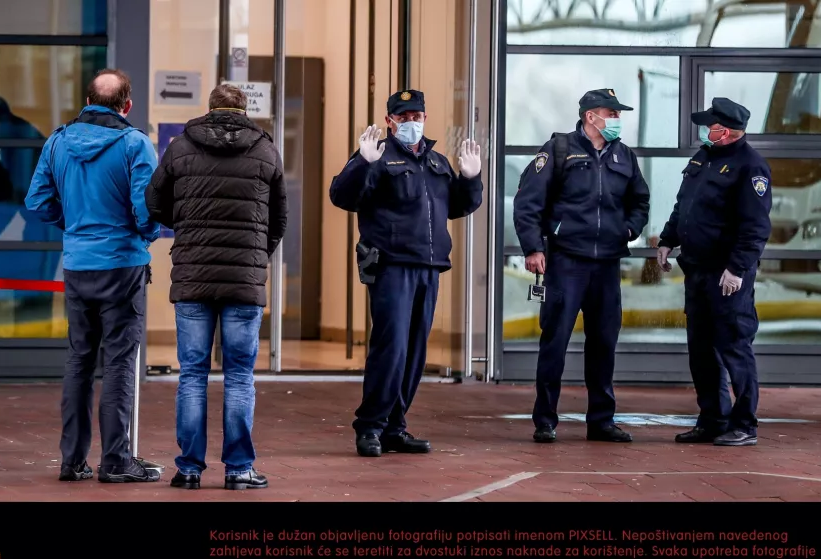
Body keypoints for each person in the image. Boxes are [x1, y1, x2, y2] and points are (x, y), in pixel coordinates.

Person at [145, 83, 287, 491]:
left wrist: (187, 227)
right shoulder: (265, 150)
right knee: (240, 375)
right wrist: (256, 255)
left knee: (192, 373)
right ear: (244, 110)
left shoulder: (180, 147)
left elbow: (154, 202)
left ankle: (189, 469)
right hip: (244, 280)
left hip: (193, 276)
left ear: (209, 109)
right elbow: (278, 219)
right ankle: (239, 469)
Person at [329, 89, 483, 458]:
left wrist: (470, 179)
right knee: (392, 348)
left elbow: (456, 206)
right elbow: (343, 197)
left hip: (429, 265)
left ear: (425, 118)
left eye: (417, 116)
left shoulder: (437, 161)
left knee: (414, 352)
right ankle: (370, 426)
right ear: (389, 121)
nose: (411, 122)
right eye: (403, 117)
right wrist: (361, 164)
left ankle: (394, 428)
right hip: (391, 265)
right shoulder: (378, 155)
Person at [26, 68, 161, 483]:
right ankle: (116, 460)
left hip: (78, 265)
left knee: (79, 360)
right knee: (119, 362)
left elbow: (37, 201)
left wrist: (74, 226)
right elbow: (146, 212)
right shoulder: (136, 144)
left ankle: (72, 460)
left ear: (87, 101)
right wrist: (145, 235)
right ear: (127, 106)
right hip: (122, 265)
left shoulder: (57, 141)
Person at [513, 88, 650, 444]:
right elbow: (528, 202)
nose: (617, 119)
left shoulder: (624, 155)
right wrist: (533, 248)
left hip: (607, 263)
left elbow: (640, 200)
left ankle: (601, 421)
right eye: (612, 113)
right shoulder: (558, 150)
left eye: (618, 114)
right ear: (591, 116)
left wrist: (630, 228)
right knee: (555, 341)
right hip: (566, 261)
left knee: (603, 343)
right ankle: (545, 420)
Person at [657, 97, 772, 447]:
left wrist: (737, 268)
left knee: (734, 347)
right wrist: (667, 240)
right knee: (702, 350)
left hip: (728, 276)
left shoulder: (751, 167)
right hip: (697, 271)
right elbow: (684, 206)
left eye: (713, 126)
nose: (707, 130)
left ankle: (744, 424)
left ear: (729, 130)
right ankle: (712, 419)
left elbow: (755, 227)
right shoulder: (703, 157)